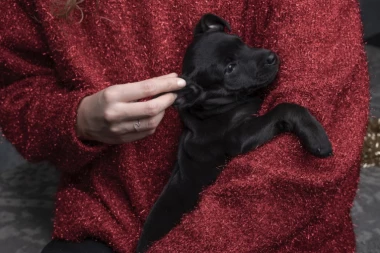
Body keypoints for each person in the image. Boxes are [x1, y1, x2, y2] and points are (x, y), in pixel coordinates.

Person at [0, 0, 369, 253]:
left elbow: (311, 137)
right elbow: (19, 91)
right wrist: (76, 118)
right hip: (107, 217)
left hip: (272, 230)